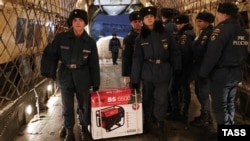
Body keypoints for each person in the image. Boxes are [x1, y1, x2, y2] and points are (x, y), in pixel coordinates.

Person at [40, 9, 100, 141]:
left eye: (81, 20)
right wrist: (48, 71)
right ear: (71, 23)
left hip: (83, 76)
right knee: (67, 105)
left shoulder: (90, 42)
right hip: (65, 75)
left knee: (84, 104)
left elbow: (94, 64)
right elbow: (50, 53)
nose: (78, 23)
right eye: (75, 20)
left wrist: (96, 83)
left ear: (85, 23)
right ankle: (69, 131)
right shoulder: (61, 38)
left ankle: (84, 129)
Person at [131, 6, 182, 141]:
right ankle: (148, 120)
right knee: (147, 98)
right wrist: (134, 80)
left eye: (152, 16)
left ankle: (160, 123)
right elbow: (137, 60)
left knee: (162, 99)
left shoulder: (165, 32)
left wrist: (177, 68)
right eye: (146, 17)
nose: (149, 18)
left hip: (163, 71)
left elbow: (175, 51)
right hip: (147, 72)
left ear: (155, 17)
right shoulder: (140, 38)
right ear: (142, 20)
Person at [199, 2, 248, 127]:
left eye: (219, 13)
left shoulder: (220, 30)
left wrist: (203, 73)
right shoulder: (242, 31)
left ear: (223, 14)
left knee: (220, 107)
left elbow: (212, 55)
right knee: (230, 103)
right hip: (236, 74)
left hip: (221, 75)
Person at [166, 14, 195, 122]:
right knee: (182, 89)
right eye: (177, 24)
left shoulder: (186, 35)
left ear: (185, 23)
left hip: (183, 67)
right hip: (183, 67)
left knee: (175, 89)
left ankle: (180, 112)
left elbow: (183, 52)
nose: (178, 26)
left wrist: (177, 65)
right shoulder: (185, 33)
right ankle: (180, 112)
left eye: (179, 24)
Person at [189, 11, 215, 127]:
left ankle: (205, 117)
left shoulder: (207, 34)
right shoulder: (203, 32)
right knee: (199, 92)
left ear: (207, 22)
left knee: (203, 94)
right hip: (198, 68)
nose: (198, 23)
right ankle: (206, 115)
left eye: (200, 21)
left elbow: (199, 50)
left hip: (203, 68)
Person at [122, 11, 142, 87]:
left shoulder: (147, 35)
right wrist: (126, 74)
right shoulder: (128, 38)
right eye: (135, 22)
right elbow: (125, 57)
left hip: (147, 70)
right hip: (133, 71)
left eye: (139, 21)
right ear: (131, 23)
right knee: (135, 93)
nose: (137, 23)